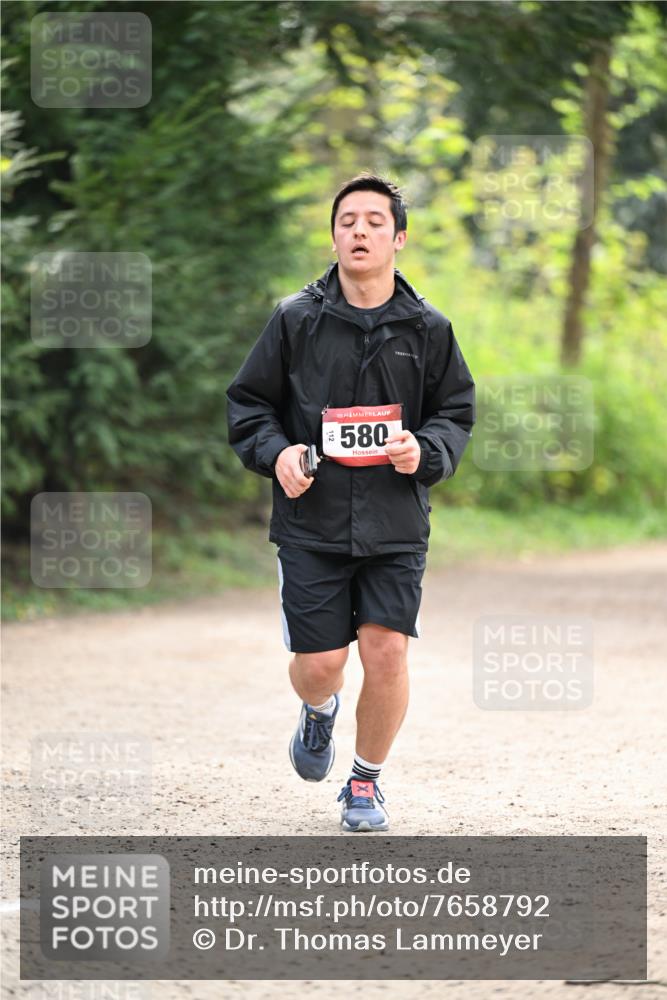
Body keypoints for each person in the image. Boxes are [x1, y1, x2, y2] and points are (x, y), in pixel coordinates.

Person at [226, 174, 475, 832]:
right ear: (333, 237)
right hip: (311, 522)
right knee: (320, 666)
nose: (359, 231)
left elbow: (454, 412)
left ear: (398, 238)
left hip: (395, 523)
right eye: (346, 222)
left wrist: (425, 450)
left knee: (386, 651)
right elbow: (249, 405)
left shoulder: (428, 328)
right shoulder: (295, 319)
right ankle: (318, 710)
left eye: (373, 221)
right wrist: (277, 453)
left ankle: (364, 784)